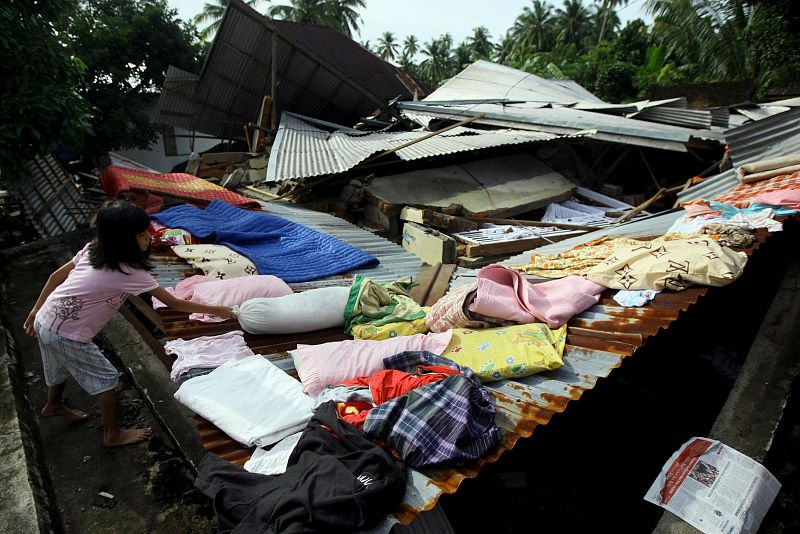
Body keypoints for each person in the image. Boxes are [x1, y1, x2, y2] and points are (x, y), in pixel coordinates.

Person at [23, 199, 237, 447]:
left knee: (56, 366)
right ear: (123, 240)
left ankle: (54, 405)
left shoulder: (95, 249)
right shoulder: (129, 272)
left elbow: (56, 276)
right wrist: (219, 310)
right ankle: (113, 434)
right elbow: (174, 303)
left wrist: (35, 310)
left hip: (46, 320)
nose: (148, 237)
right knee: (106, 378)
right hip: (67, 334)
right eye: (142, 234)